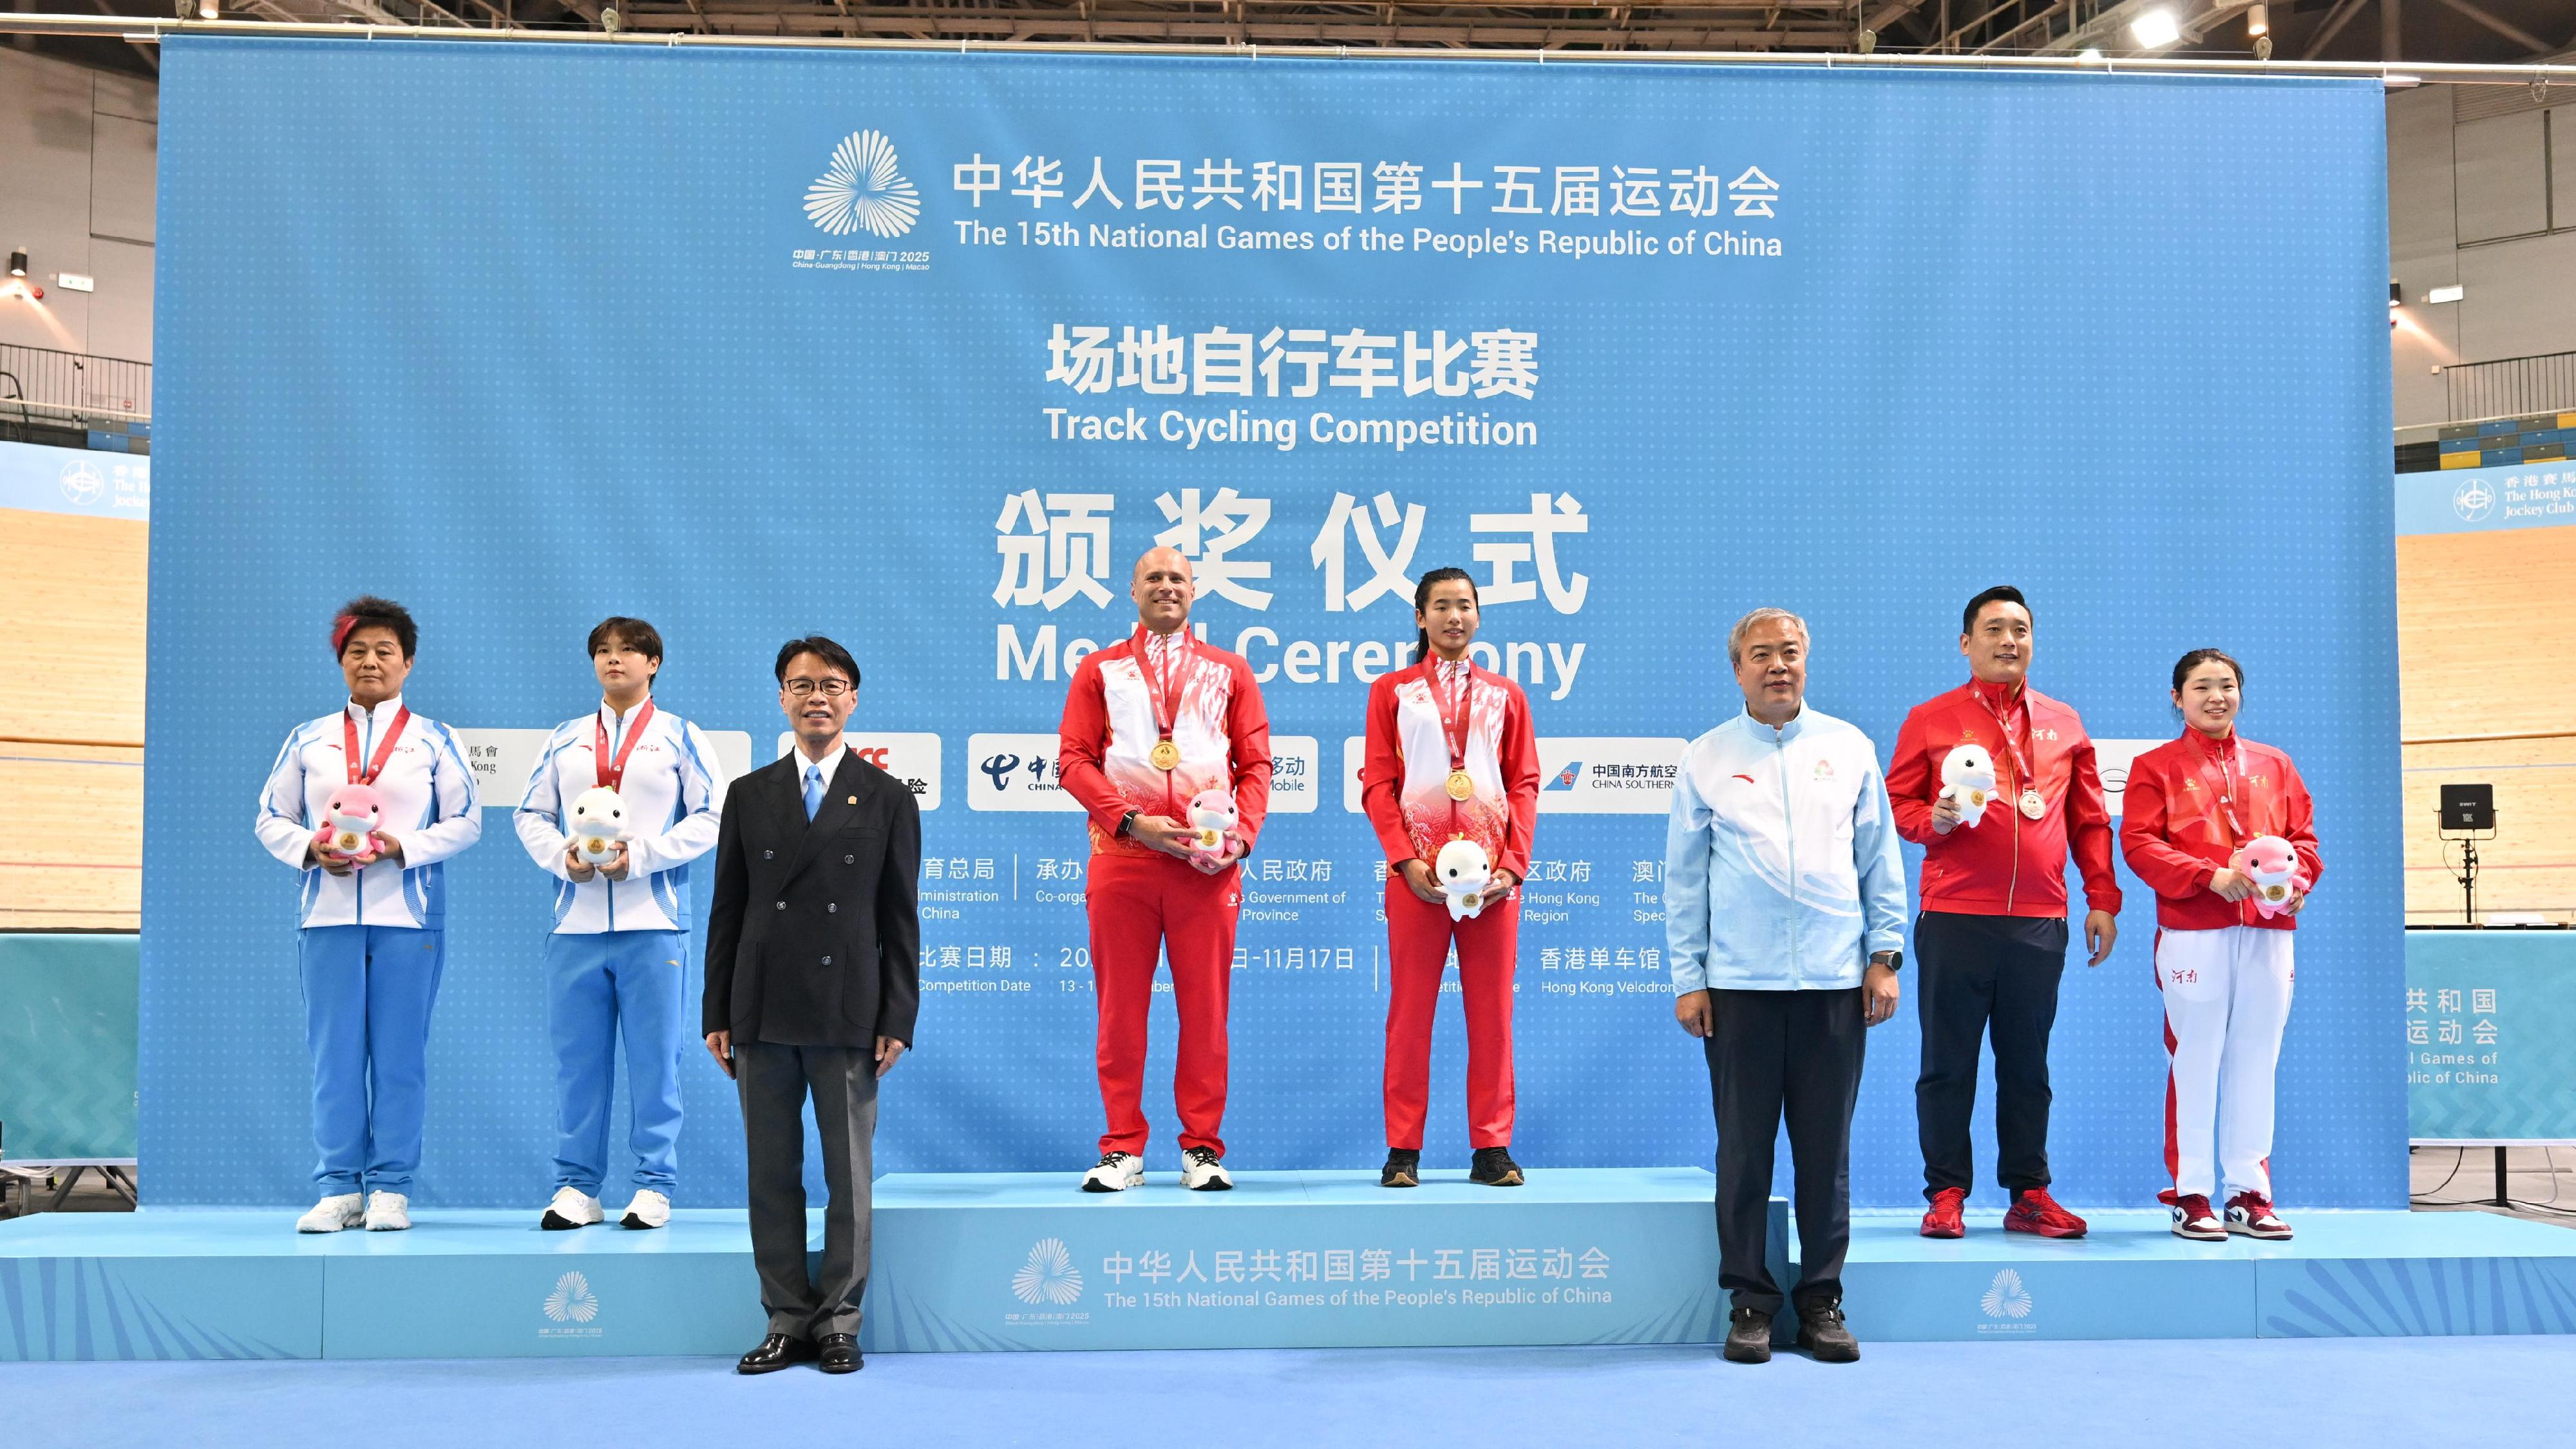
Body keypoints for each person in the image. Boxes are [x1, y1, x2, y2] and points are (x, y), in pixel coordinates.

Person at [1665, 607, 1904, 1366]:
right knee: (1743, 1152)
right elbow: (1682, 881)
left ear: (1807, 662)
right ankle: (1750, 1302)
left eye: (1790, 653)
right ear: (1736, 670)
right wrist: (1689, 977)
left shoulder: (1848, 747)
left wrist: (1884, 955)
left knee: (1824, 1152)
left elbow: (1879, 860)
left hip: (1835, 984)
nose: (1777, 666)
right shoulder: (1706, 756)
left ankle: (1821, 1300)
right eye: (1761, 655)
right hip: (1737, 988)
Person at [703, 636, 920, 1376]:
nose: (816, 696)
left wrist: (897, 1017)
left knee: (847, 1174)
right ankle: (785, 1318)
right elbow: (726, 910)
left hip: (849, 1006)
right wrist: (716, 1010)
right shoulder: (749, 793)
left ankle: (839, 1322)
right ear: (781, 699)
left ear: (853, 698)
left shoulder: (887, 796)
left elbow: (899, 917)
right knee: (771, 1172)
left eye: (831, 684)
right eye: (800, 685)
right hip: (761, 1006)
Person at [1887, 586, 2121, 1240]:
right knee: (1947, 1064)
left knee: (2027, 1067)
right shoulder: (1930, 718)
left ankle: (2028, 1193)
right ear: (1967, 643)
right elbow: (1897, 804)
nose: (2008, 640)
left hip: (2039, 921)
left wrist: (2100, 898)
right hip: (1955, 915)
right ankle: (1946, 1194)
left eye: (2019, 629)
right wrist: (1930, 821)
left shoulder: (2064, 722)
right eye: (1993, 629)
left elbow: (2088, 820)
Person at [254, 596, 480, 1233]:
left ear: (408, 662)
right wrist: (308, 847)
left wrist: (406, 846)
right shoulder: (309, 738)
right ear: (341, 662)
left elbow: (467, 823)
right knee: (335, 1056)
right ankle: (337, 1189)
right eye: (358, 651)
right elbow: (270, 816)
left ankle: (389, 1189)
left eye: (385, 651)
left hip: (409, 919)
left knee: (399, 1057)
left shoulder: (435, 739)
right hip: (326, 919)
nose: (371, 661)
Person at [1057, 546, 1273, 1192]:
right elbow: (1072, 761)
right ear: (1132, 590)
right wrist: (1129, 821)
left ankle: (1201, 1148)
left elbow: (1256, 766)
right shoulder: (1100, 670)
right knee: (1120, 1013)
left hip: (1204, 870)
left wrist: (1242, 837)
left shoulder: (1228, 670)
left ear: (1195, 590)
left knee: (1205, 1012)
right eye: (1153, 577)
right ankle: (1122, 1145)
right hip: (1121, 864)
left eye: (1177, 577)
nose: (1166, 587)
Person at [514, 617, 722, 1232]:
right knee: (578, 1064)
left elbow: (712, 817)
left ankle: (654, 1184)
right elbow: (531, 813)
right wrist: (563, 860)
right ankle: (577, 1187)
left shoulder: (681, 736)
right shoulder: (566, 738)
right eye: (603, 651)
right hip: (575, 927)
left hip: (653, 925)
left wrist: (643, 859)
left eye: (628, 650)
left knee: (655, 1060)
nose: (614, 660)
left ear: (653, 662)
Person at [2119, 649, 2320, 1243]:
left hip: (2268, 932)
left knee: (2259, 1055)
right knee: (2196, 1056)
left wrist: (2296, 884)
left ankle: (2250, 1192)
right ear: (2176, 697)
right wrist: (2210, 876)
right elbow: (2139, 844)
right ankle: (2191, 1193)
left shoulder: (2275, 764)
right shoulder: (2156, 766)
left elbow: (2303, 840)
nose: (2217, 696)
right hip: (2193, 931)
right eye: (2202, 686)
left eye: (2227, 685)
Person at [1361, 568, 1540, 1188]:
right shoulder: (1393, 691)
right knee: (1409, 1014)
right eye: (1441, 607)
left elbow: (1524, 784)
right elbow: (1377, 785)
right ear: (1420, 618)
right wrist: (1404, 859)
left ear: (1479, 616)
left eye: (1464, 606)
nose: (1454, 617)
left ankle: (1492, 1148)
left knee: (1491, 1014)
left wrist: (1513, 866)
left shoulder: (1506, 696)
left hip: (1491, 884)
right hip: (1417, 879)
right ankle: (1403, 1149)